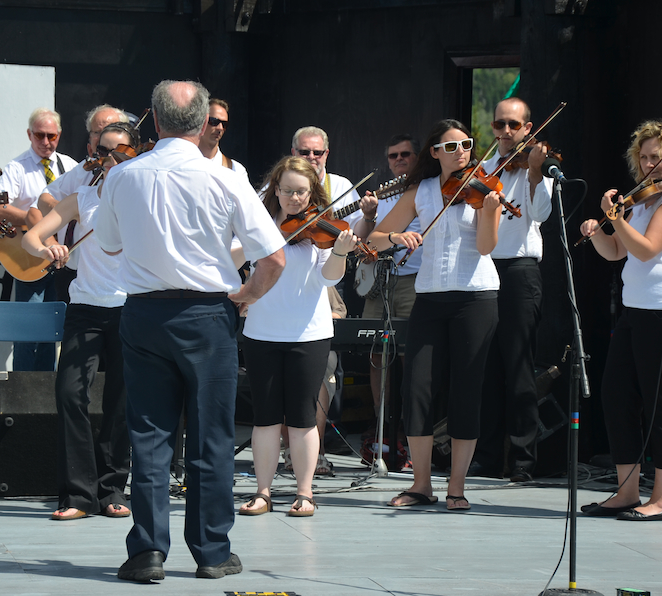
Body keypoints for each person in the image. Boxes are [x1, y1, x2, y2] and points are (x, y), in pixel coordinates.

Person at [95, 80, 285, 581]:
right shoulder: (226, 179)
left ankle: (147, 552)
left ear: (154, 122)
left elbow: (110, 246)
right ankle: (212, 551)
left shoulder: (122, 176)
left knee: (151, 436)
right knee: (211, 438)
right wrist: (246, 297)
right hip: (206, 316)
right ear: (203, 124)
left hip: (143, 315)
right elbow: (274, 259)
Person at [366, 120, 502, 510]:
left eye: (466, 144)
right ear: (435, 153)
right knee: (417, 389)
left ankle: (456, 486)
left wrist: (489, 211)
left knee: (466, 390)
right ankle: (421, 484)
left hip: (475, 297)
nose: (461, 151)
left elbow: (486, 246)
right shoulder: (421, 191)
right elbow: (374, 237)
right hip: (429, 297)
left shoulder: (482, 188)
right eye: (451, 146)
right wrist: (397, 237)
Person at [579, 119, 662, 521]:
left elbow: (648, 249)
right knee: (616, 395)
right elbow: (618, 252)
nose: (650, 164)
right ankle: (627, 492)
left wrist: (613, 217)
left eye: (658, 157)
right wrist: (598, 231)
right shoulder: (643, 200)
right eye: (644, 157)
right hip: (639, 311)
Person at [22, 122, 138, 522]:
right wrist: (50, 245)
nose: (111, 157)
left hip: (129, 308)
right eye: (104, 150)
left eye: (120, 150)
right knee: (70, 394)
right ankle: (77, 493)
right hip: (86, 307)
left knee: (121, 400)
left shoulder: (144, 198)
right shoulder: (82, 197)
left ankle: (112, 488)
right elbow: (29, 238)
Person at [237, 156, 358, 517]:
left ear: (312, 193)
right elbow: (235, 260)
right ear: (276, 190)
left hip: (309, 333)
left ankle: (304, 492)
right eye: (288, 191)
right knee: (266, 416)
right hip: (261, 331)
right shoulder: (259, 226)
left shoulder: (320, 228)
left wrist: (338, 251)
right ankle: (263, 491)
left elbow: (329, 279)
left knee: (303, 416)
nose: (294, 198)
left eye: (301, 192)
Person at [472, 97, 553, 482]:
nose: (506, 133)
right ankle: (486, 458)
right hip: (483, 269)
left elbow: (540, 215)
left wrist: (535, 171)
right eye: (499, 125)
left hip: (520, 270)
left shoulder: (537, 169)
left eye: (514, 126)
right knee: (485, 367)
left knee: (519, 366)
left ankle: (523, 460)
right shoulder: (483, 170)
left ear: (528, 129)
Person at [0, 108, 78, 371]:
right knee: (28, 333)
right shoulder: (17, 167)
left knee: (52, 332)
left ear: (59, 135)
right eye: (39, 135)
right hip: (30, 258)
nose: (45, 142)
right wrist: (38, 223)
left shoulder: (71, 166)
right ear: (29, 134)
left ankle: (44, 402)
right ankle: (21, 402)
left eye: (51, 136)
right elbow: (0, 208)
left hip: (62, 259)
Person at [355, 134, 421, 436]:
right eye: (393, 156)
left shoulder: (426, 190)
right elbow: (362, 244)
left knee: (410, 355)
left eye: (405, 154)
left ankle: (409, 426)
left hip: (413, 280)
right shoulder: (381, 196)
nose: (399, 160)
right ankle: (382, 425)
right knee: (376, 354)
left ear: (418, 157)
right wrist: (369, 216)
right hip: (381, 282)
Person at [29, 105, 129, 302]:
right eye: (97, 132)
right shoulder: (82, 171)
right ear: (91, 143)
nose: (104, 136)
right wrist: (68, 212)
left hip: (120, 285)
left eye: (111, 129)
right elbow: (43, 200)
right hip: (76, 272)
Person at [198, 98, 249, 179]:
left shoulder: (236, 171)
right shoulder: (182, 163)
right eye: (214, 121)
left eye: (224, 124)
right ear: (200, 122)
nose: (220, 128)